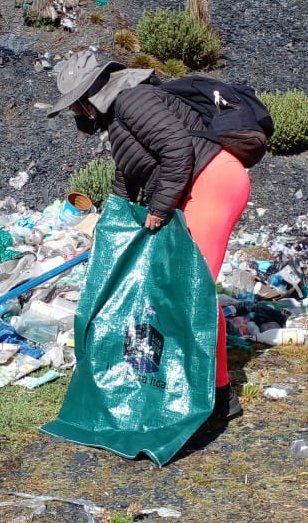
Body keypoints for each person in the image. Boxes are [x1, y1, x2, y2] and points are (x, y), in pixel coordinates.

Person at [47, 50, 252, 423]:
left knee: (193, 290)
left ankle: (221, 398)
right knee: (177, 287)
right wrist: (111, 227)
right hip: (196, 186)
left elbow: (177, 151)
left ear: (87, 97)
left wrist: (157, 209)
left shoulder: (132, 98)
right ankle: (184, 381)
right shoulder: (117, 117)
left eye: (75, 106)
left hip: (213, 182)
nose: (75, 115)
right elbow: (128, 176)